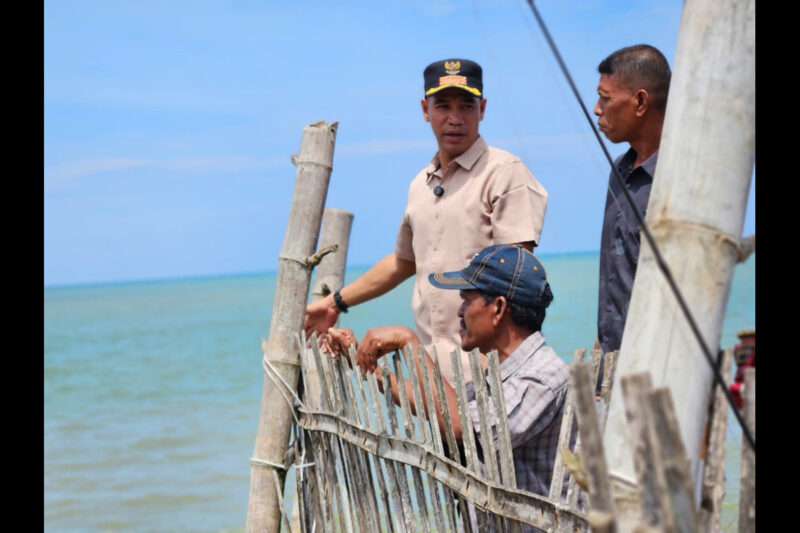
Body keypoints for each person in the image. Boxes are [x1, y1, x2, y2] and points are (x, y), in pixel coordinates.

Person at [306, 58, 548, 386]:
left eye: (466, 106)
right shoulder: (420, 185)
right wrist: (334, 303)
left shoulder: (504, 173)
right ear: (425, 109)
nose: (455, 118)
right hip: (434, 376)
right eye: (443, 106)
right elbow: (404, 262)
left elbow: (516, 277)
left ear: (483, 109)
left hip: (491, 374)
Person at [326, 244, 569, 517]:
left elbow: (462, 427)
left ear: (498, 308)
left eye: (467, 300)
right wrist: (364, 363)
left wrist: (409, 342)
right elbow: (434, 404)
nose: (460, 312)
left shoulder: (543, 377)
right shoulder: (502, 371)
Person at [594, 45, 672, 393]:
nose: (597, 109)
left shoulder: (678, 180)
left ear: (640, 102)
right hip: (614, 374)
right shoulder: (621, 171)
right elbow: (618, 279)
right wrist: (599, 364)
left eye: (605, 98)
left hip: (661, 376)